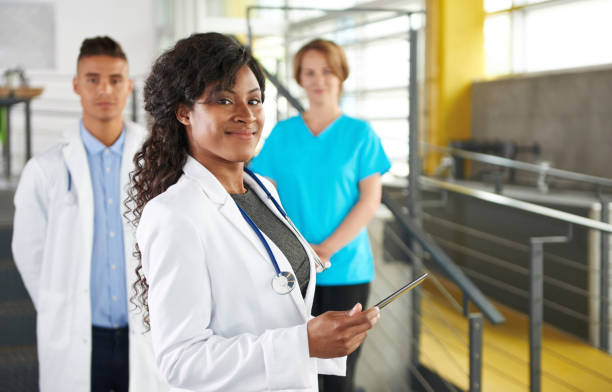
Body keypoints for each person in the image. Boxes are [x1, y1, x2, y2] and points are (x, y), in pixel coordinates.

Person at [127, 32, 380, 392]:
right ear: (184, 112)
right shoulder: (173, 215)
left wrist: (322, 335)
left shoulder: (262, 193)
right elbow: (181, 362)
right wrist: (303, 343)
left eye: (255, 100)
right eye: (224, 100)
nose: (246, 115)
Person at [12, 36, 167, 392]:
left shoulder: (159, 163)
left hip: (145, 332)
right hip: (77, 333)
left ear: (129, 87)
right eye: (93, 79)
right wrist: (59, 304)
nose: (105, 90)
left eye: (115, 80)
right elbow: (29, 251)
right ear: (76, 85)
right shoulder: (46, 169)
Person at [249, 38, 392, 392]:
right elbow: (259, 195)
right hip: (291, 273)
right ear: (299, 78)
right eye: (309, 72)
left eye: (326, 71)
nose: (318, 80)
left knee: (339, 379)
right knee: (295, 374)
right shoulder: (282, 134)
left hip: (347, 272)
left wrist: (325, 249)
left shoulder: (360, 135)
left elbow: (369, 201)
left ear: (341, 74)